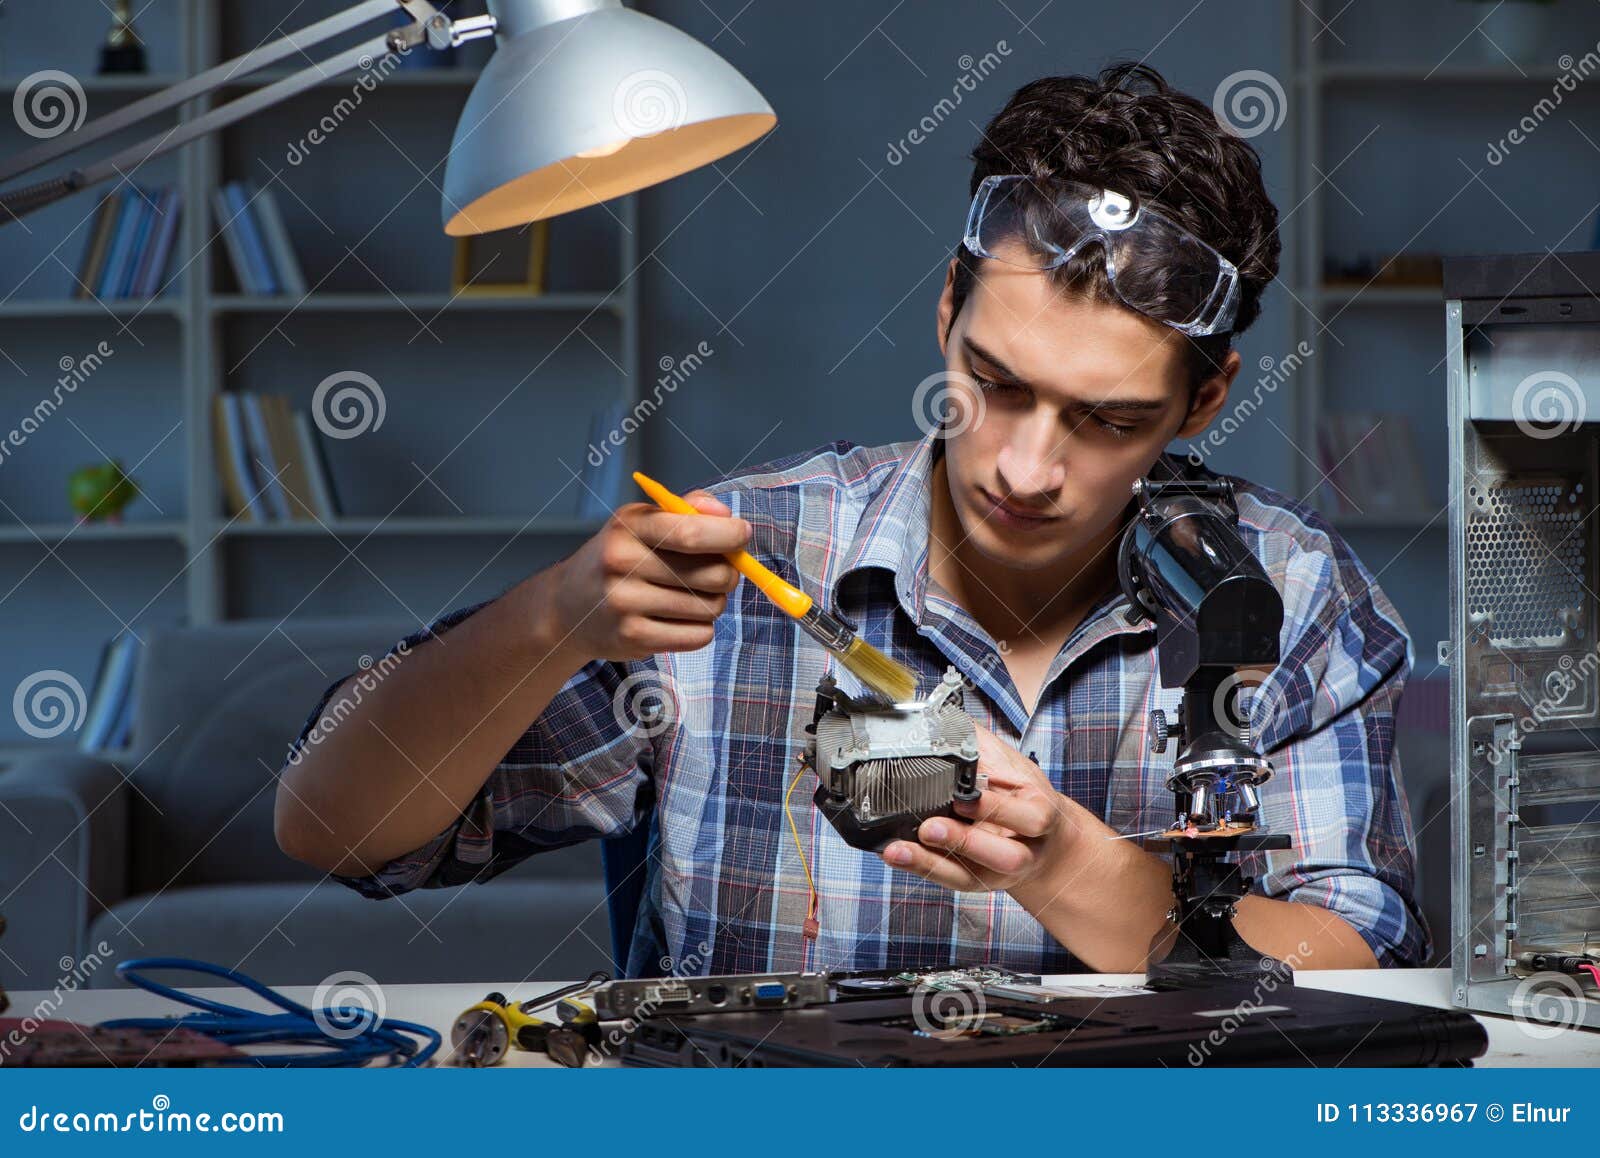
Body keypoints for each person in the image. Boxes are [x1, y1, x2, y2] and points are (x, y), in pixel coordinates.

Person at [276, 62, 1429, 978]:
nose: (1028, 468)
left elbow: (1359, 967)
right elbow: (331, 830)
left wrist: (1067, 859)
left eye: (1108, 421)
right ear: (945, 313)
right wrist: (550, 621)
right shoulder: (747, 553)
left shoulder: (1284, 592)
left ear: (1206, 398)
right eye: (999, 383)